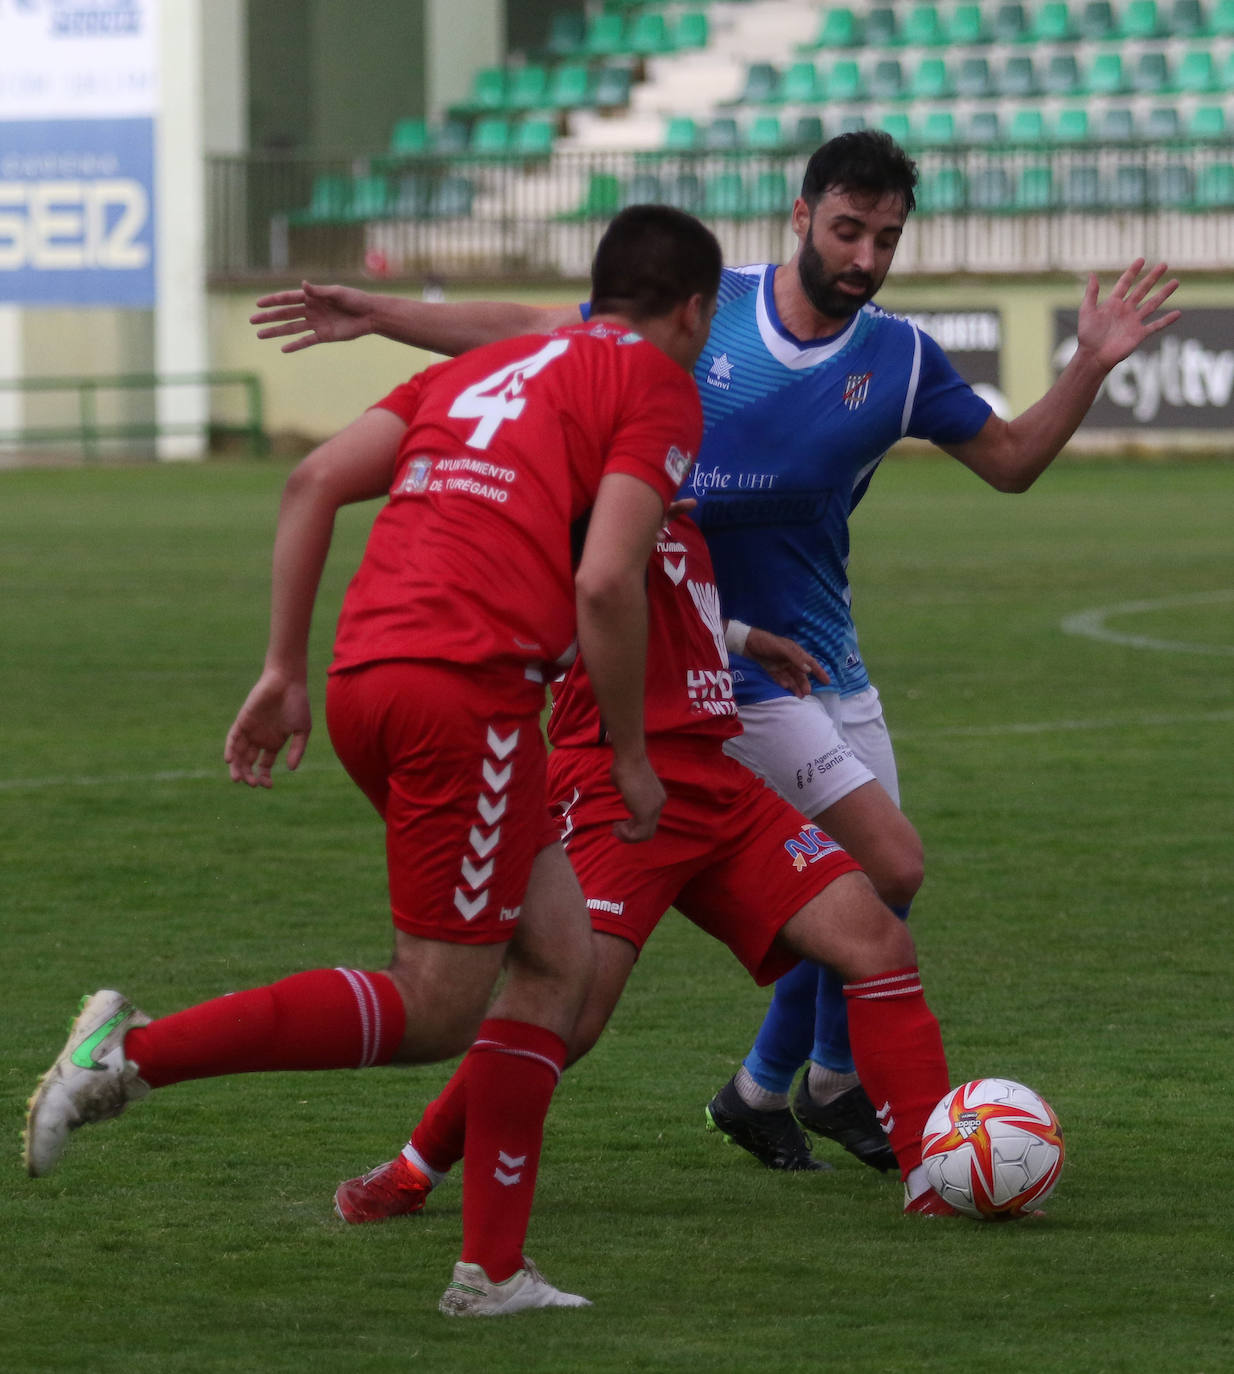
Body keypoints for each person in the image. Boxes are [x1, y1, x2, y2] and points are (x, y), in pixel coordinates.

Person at [248, 131, 1182, 1174]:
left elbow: (1009, 463)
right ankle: (806, 1092)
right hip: (672, 678)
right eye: (846, 229)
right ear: (800, 215)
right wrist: (379, 312)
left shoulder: (898, 357)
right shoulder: (700, 314)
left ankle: (782, 1086)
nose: (865, 257)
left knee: (878, 891)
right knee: (827, 892)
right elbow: (524, 329)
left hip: (808, 659)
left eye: (885, 237)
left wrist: (1090, 362)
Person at [23, 205, 723, 1316]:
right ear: (694, 310)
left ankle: (491, 1270)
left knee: (555, 960)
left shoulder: (495, 365)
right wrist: (631, 756)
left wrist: (280, 669)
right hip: (471, 689)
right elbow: (605, 581)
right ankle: (132, 1053)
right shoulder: (655, 382)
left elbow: (310, 484)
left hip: (367, 673)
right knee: (438, 1003)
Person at [326, 511, 960, 1225]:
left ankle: (935, 1179)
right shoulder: (580, 503)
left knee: (877, 943)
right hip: (612, 786)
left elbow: (667, 598)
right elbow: (585, 594)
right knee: (566, 1014)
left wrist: (747, 640)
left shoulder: (672, 507)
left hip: (715, 779)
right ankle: (414, 1169)